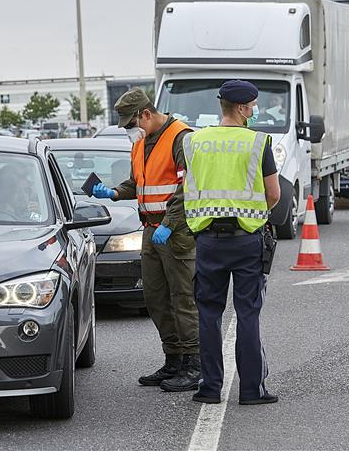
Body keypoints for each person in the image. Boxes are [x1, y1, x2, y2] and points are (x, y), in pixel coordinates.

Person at [92, 88, 201, 392]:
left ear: (147, 114)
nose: (130, 130)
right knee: (155, 297)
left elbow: (188, 187)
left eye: (131, 124)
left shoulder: (180, 137)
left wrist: (170, 224)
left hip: (175, 231)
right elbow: (137, 182)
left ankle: (195, 363)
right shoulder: (141, 145)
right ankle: (174, 359)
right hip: (151, 231)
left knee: (183, 298)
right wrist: (113, 192)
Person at [182, 79, 281, 406]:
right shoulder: (256, 143)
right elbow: (273, 194)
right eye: (252, 106)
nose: (254, 110)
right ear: (240, 108)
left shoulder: (194, 142)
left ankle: (210, 388)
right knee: (248, 314)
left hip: (208, 240)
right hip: (246, 241)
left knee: (208, 315)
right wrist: (253, 214)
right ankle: (252, 390)